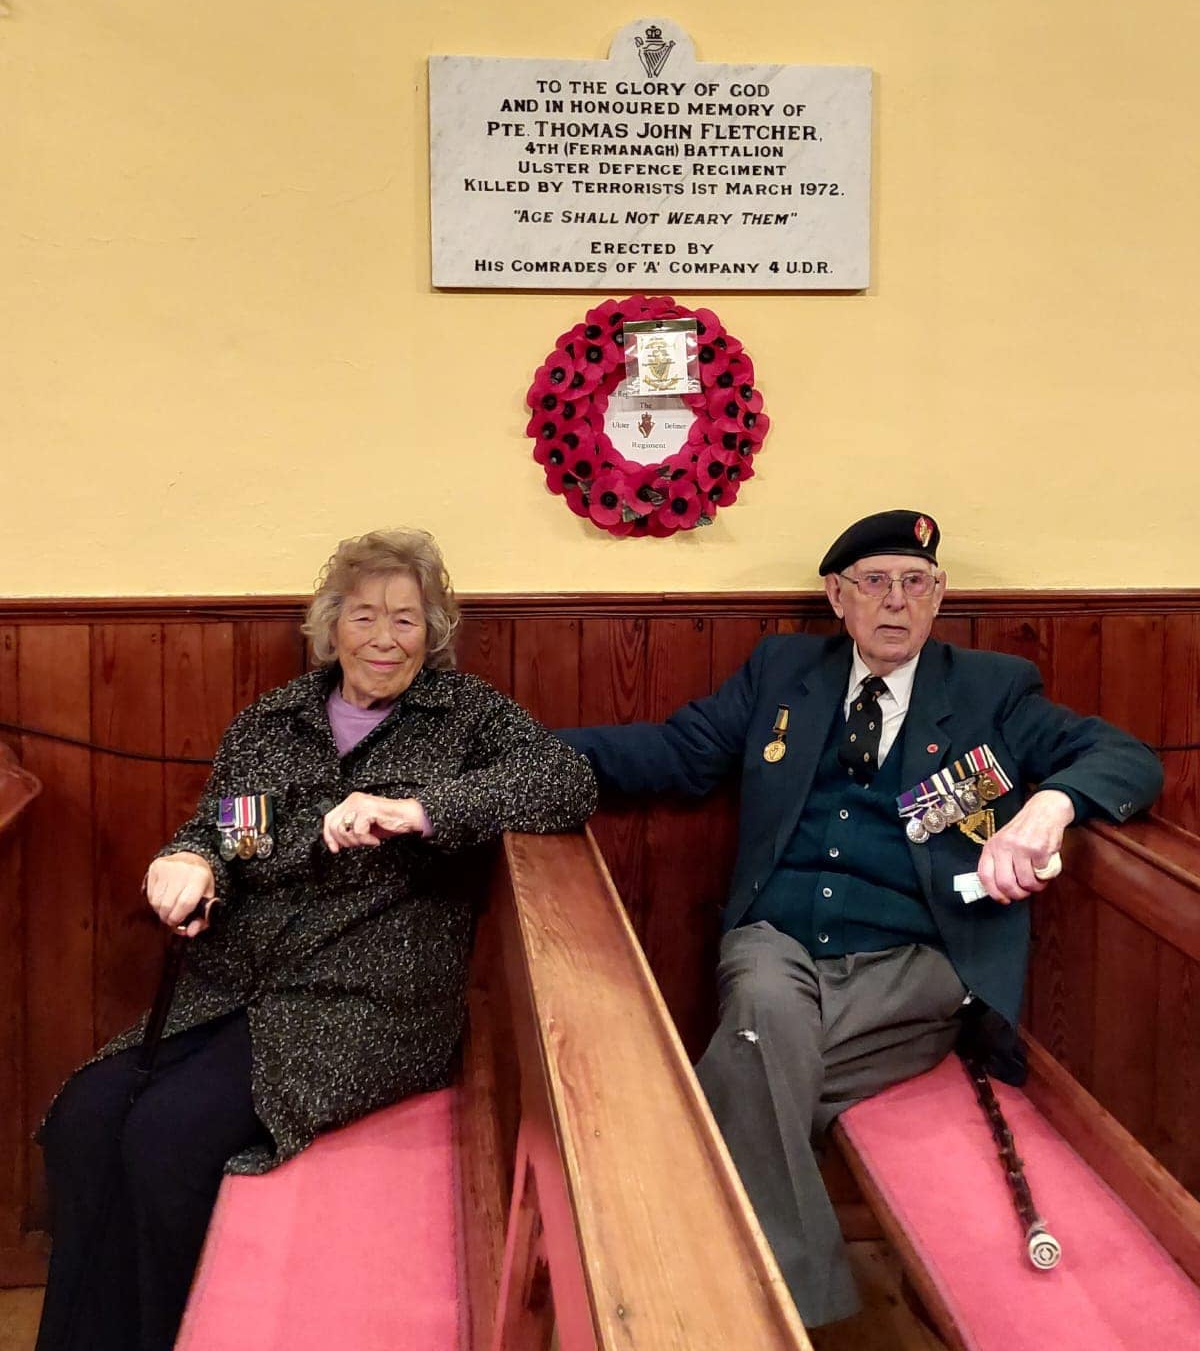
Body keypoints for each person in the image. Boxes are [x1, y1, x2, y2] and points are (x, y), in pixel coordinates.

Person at [559, 509, 1162, 1327]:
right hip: (777, 945)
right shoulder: (782, 672)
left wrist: (1048, 806)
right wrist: (523, 751)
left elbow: (1127, 757)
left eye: (916, 584)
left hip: (917, 963)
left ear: (939, 595)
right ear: (836, 596)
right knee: (764, 1011)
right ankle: (799, 1318)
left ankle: (712, 1300)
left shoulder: (992, 689)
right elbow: (675, 751)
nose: (895, 602)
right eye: (874, 582)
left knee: (752, 1053)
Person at [36, 528, 596, 1351]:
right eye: (364, 616)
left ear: (433, 633)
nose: (383, 638)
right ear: (331, 626)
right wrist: (192, 862)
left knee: (167, 1137)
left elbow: (565, 780)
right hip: (235, 979)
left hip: (369, 996)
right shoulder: (275, 721)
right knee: (86, 1118)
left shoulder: (466, 716)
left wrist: (418, 811)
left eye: (407, 621)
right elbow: (233, 834)